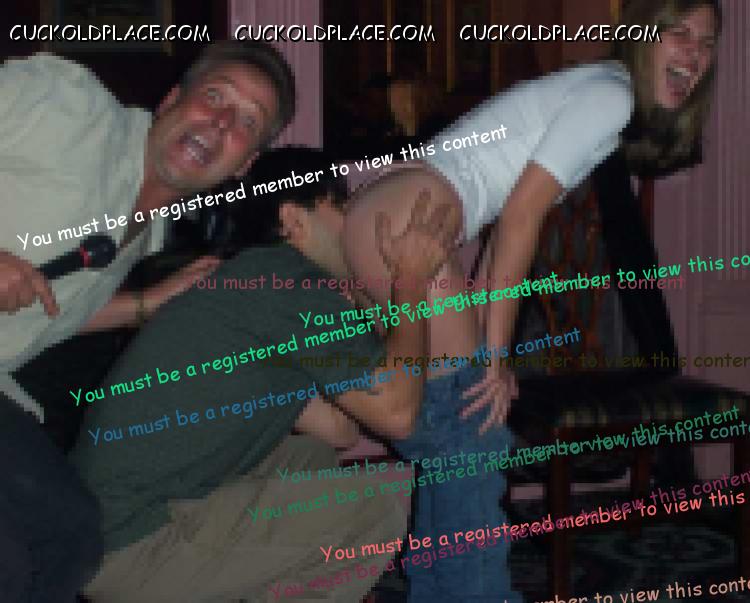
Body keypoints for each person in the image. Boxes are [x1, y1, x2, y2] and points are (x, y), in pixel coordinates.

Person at [341, 2, 722, 601]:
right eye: (680, 33)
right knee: (472, 434)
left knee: (456, 443)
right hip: (412, 219)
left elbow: (506, 223)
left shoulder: (600, 92)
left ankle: (441, 588)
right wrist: (494, 358)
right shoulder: (612, 96)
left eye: (707, 41)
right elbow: (521, 217)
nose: (695, 54)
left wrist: (491, 348)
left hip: (397, 216)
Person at [70, 146, 460, 602]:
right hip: (131, 541)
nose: (355, 224)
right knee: (376, 508)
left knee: (309, 461)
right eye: (342, 207)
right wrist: (410, 283)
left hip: (101, 525)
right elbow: (396, 414)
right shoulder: (291, 284)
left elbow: (340, 430)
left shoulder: (260, 283)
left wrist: (368, 300)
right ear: (294, 219)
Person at [0, 40, 295, 602]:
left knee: (70, 540)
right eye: (215, 96)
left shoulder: (144, 237)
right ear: (169, 101)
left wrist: (146, 304)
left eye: (247, 122)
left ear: (244, 165)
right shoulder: (68, 107)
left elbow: (52, 309)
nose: (222, 121)